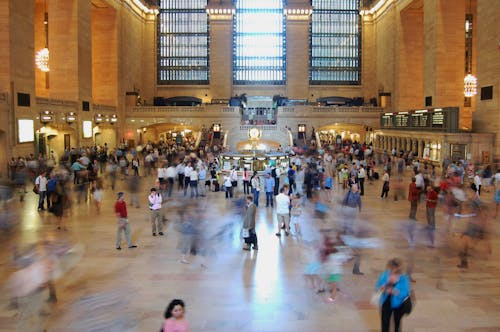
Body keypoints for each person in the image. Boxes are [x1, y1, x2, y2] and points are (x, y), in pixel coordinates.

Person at [375, 258, 411, 332]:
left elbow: (405, 293)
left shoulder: (404, 278)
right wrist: (382, 288)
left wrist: (394, 292)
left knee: (397, 323)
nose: (392, 271)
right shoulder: (384, 275)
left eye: (394, 268)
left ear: (399, 268)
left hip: (399, 304)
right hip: (386, 302)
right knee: (385, 322)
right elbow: (377, 287)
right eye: (391, 268)